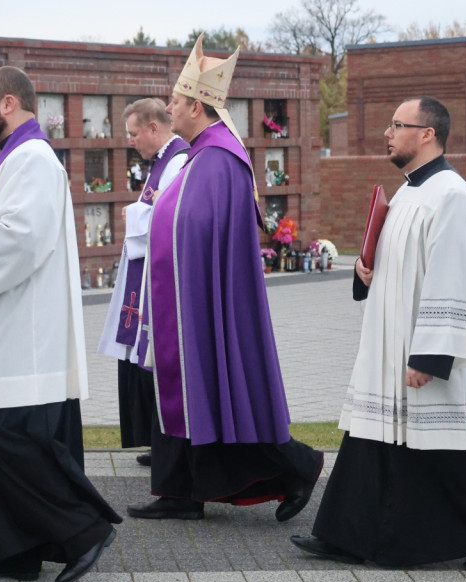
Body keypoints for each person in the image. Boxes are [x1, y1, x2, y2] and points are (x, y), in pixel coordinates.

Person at [291, 97, 466, 572]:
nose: (388, 133)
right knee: (373, 438)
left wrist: (431, 355)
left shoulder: (454, 196)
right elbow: (403, 263)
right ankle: (348, 535)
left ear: (427, 134)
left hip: (433, 345)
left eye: (398, 125)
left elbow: (456, 277)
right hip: (392, 341)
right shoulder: (408, 192)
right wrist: (367, 272)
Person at [0, 66, 121, 582]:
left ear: (8, 103)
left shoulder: (33, 159)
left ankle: (84, 531)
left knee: (4, 437)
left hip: (22, 331)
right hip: (0, 322)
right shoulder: (14, 157)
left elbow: (21, 237)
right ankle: (12, 550)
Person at [126, 35, 323, 523]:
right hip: (185, 299)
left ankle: (298, 465)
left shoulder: (219, 159)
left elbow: (202, 232)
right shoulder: (201, 154)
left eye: (174, 101)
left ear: (196, 105)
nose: (168, 107)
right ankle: (180, 494)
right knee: (195, 395)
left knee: (225, 394)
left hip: (209, 303)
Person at [97, 98, 189, 467]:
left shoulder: (178, 160)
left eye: (134, 133)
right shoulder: (160, 163)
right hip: (144, 274)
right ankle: (157, 440)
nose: (131, 141)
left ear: (154, 128)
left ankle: (163, 441)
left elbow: (167, 218)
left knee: (154, 360)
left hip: (161, 281)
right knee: (138, 359)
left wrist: (133, 214)